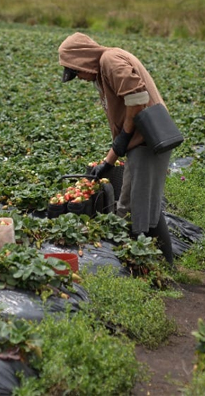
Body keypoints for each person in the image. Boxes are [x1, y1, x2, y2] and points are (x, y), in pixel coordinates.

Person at [58, 32, 174, 265]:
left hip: (147, 141)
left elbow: (138, 98)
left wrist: (126, 135)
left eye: (76, 72)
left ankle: (149, 264)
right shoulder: (104, 67)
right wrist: (107, 163)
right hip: (141, 142)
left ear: (82, 60)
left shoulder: (109, 60)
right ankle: (160, 264)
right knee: (139, 202)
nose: (79, 78)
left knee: (135, 206)